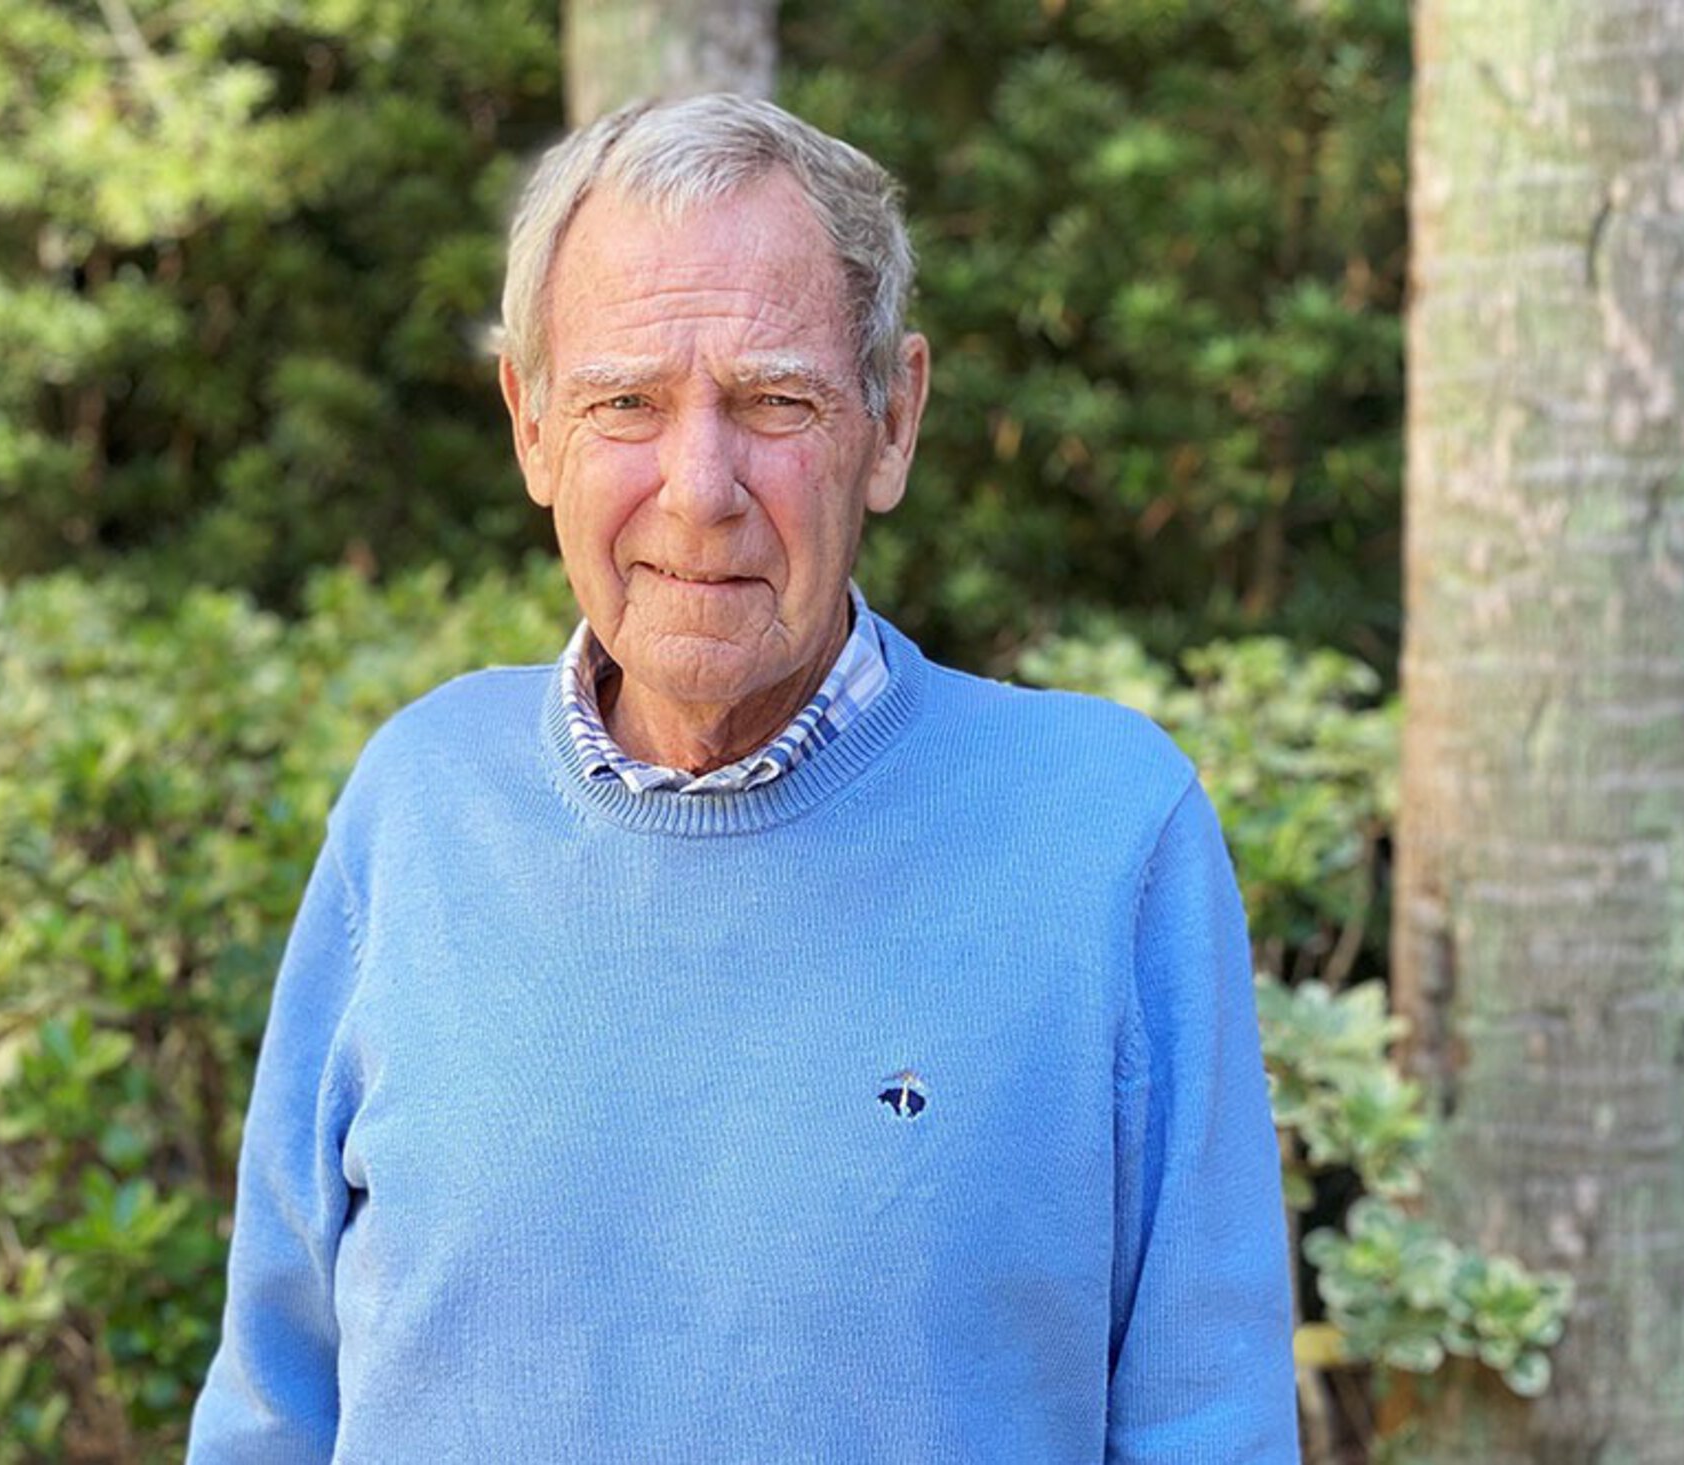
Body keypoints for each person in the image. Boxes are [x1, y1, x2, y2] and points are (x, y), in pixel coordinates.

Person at [187, 93, 1297, 1462]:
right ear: (532, 426)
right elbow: (273, 1404)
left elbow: (1210, 1422)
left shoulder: (1108, 830)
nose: (698, 486)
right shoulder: (416, 800)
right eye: (626, 403)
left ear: (892, 421)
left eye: (775, 401)